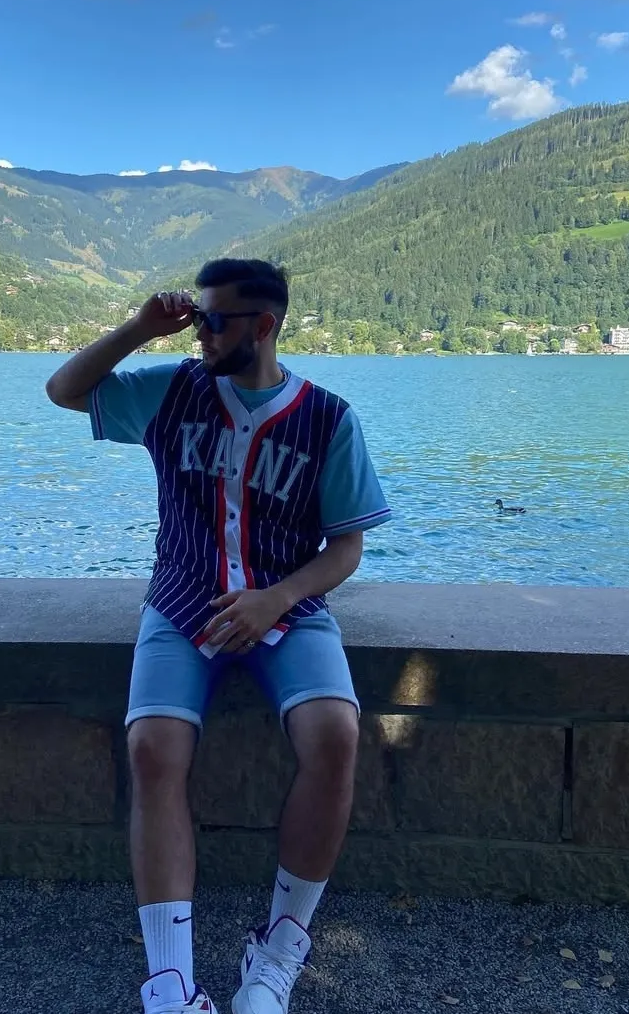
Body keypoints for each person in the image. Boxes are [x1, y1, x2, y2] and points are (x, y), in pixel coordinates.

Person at [45, 259, 392, 1014]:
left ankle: (276, 956)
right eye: (196, 317)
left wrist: (278, 598)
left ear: (263, 325)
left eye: (213, 320)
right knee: (152, 747)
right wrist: (141, 328)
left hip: (288, 607)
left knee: (336, 734)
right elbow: (64, 390)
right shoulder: (170, 390)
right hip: (181, 601)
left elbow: (346, 546)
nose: (198, 331)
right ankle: (171, 982)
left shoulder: (328, 418)